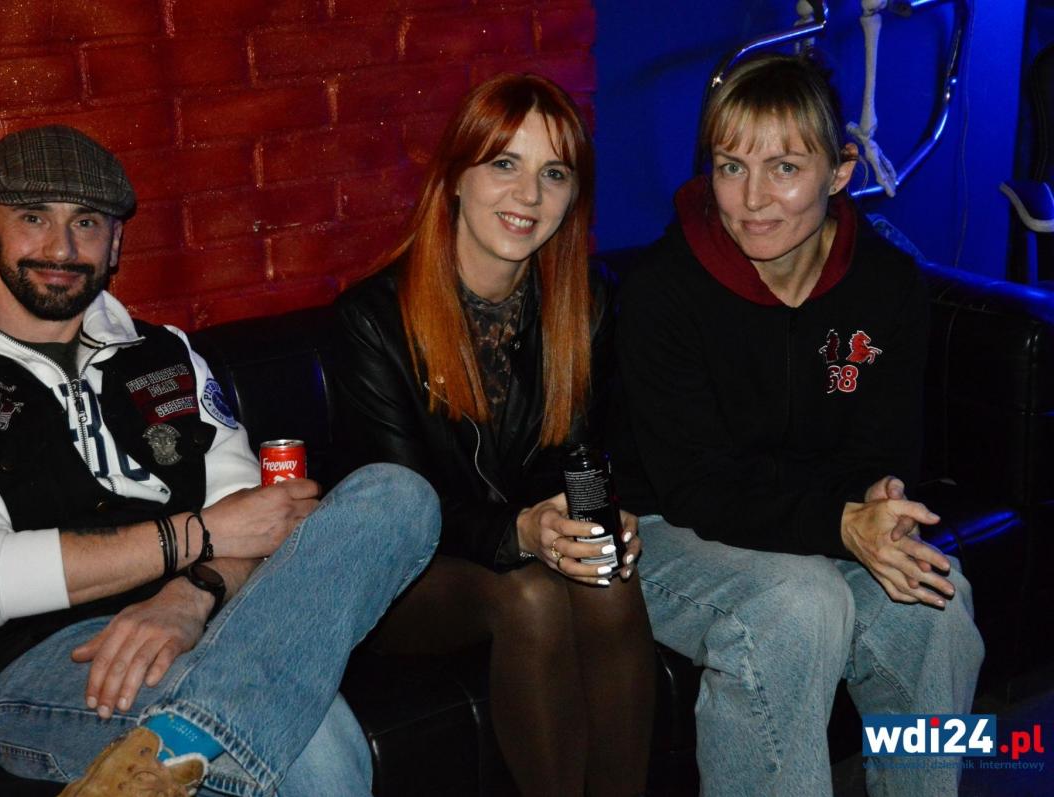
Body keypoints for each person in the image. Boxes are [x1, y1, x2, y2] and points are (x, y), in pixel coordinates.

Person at [0, 125, 441, 797]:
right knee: (316, 736)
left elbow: (256, 524)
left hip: (210, 626)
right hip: (37, 659)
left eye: (86, 223)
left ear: (115, 244)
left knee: (398, 495)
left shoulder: (165, 353)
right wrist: (196, 536)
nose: (62, 248)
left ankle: (167, 755)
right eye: (33, 218)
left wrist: (189, 596)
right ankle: (194, 738)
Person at [612, 53, 984, 796]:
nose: (752, 200)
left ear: (840, 171)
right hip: (665, 528)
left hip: (810, 519)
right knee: (796, 605)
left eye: (784, 167)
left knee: (937, 605)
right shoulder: (662, 291)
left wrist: (876, 501)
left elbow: (884, 448)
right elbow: (696, 486)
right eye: (731, 167)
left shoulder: (887, 284)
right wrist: (840, 522)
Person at [333, 73, 657, 797]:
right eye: (504, 163)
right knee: (531, 595)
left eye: (554, 174)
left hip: (521, 540)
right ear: (456, 176)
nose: (529, 195)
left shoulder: (586, 299)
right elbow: (402, 513)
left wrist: (595, 522)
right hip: (404, 575)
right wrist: (522, 533)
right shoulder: (373, 321)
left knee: (607, 574)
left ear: (573, 197)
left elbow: (585, 452)